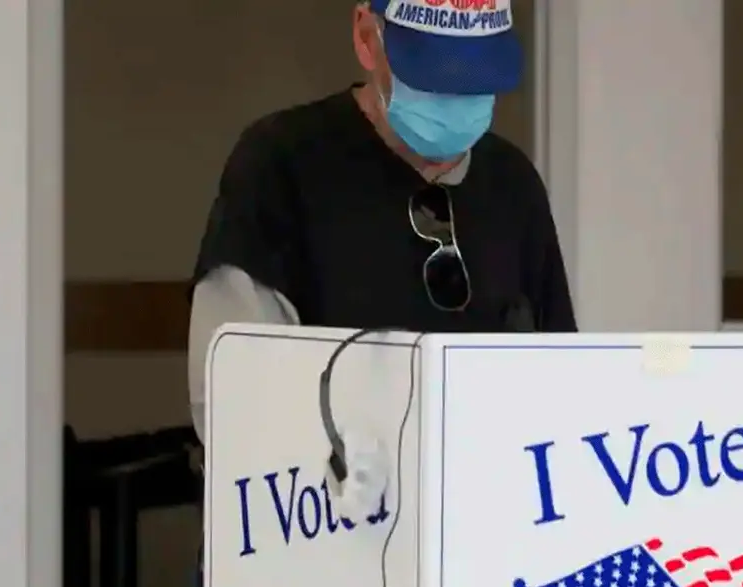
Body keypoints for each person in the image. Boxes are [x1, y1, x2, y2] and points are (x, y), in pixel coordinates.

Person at [187, 0, 576, 442]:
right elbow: (234, 402)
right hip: (334, 499)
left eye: (474, 79)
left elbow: (562, 387)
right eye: (434, 76)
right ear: (368, 38)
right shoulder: (281, 165)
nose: (455, 96)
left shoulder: (513, 185)